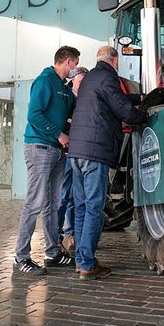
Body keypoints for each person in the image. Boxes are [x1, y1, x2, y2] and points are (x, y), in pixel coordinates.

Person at [67, 46, 147, 280]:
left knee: (82, 206)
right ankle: (88, 263)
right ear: (115, 60)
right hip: (95, 152)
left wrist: (140, 98)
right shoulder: (108, 77)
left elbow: (115, 99)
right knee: (94, 207)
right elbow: (123, 109)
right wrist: (146, 115)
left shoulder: (91, 77)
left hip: (77, 152)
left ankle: (81, 260)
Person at [13, 46, 81, 276]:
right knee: (34, 204)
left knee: (53, 204)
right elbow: (34, 115)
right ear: (68, 62)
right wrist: (59, 134)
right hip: (40, 147)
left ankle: (53, 252)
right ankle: (20, 257)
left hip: (57, 151)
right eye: (75, 65)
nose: (75, 70)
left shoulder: (63, 88)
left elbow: (73, 111)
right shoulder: (45, 81)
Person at [57, 66, 89, 258]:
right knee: (62, 197)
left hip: (78, 154)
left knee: (77, 198)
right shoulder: (67, 98)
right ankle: (56, 237)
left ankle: (73, 235)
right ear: (73, 82)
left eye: (85, 81)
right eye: (79, 81)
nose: (82, 84)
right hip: (65, 153)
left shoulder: (86, 101)